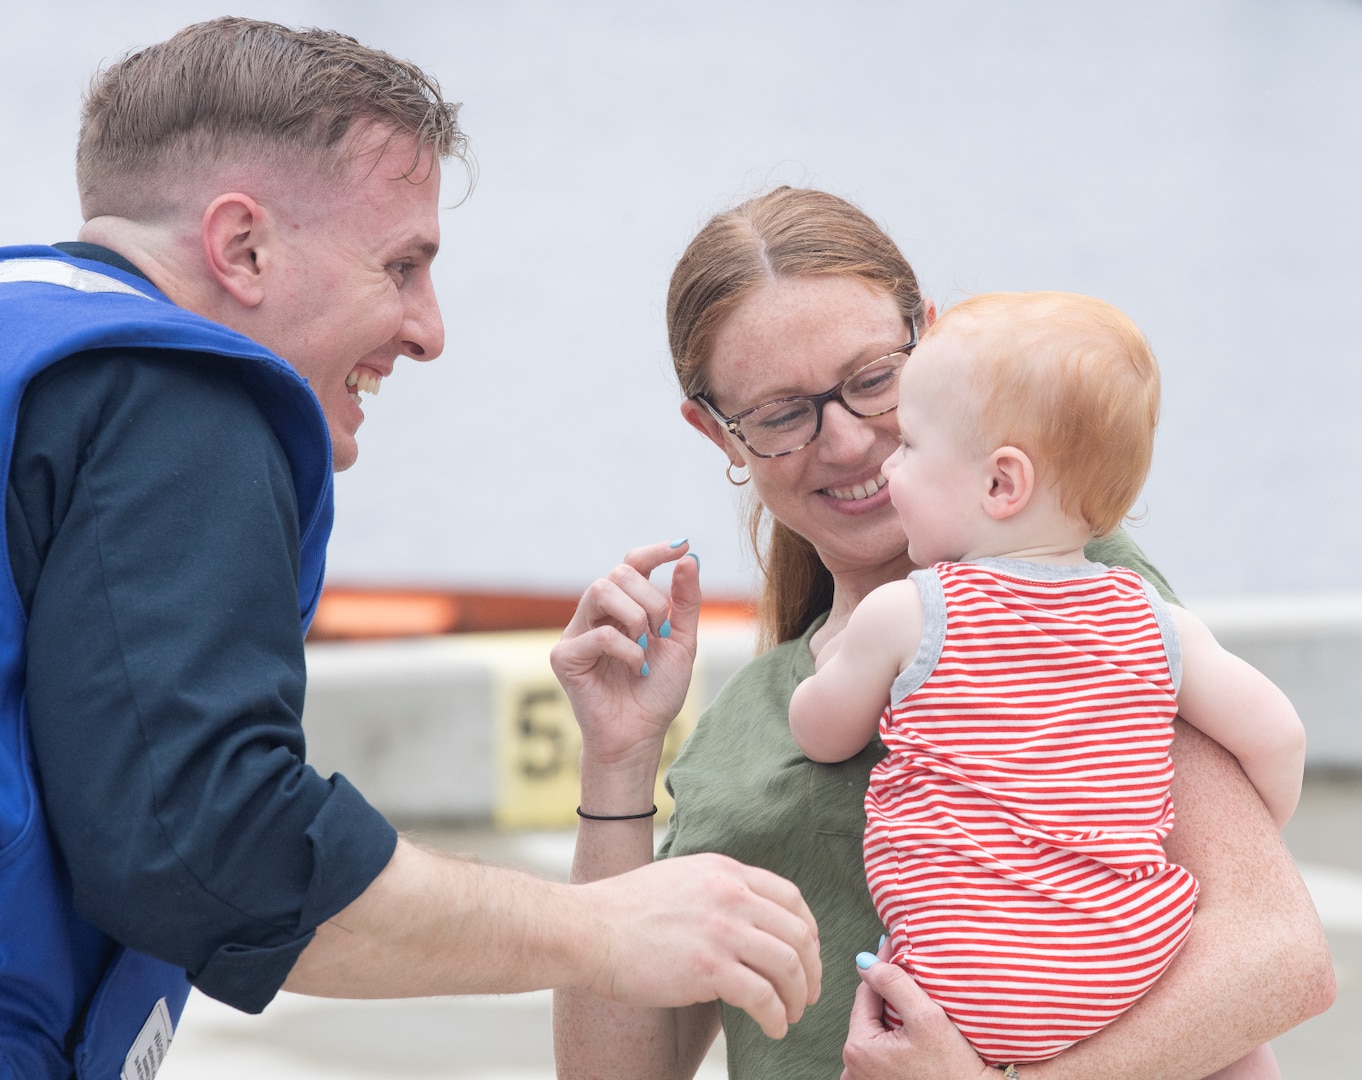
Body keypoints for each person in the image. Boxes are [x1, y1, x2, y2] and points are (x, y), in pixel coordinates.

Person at [0, 20, 820, 1079]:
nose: (430, 330)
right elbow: (209, 850)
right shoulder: (178, 390)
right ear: (241, 247)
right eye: (402, 265)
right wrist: (606, 928)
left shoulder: (28, 340)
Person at [551, 187, 1335, 1080]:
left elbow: (1278, 957)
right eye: (780, 415)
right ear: (719, 434)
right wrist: (617, 759)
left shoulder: (1082, 594)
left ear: (931, 341)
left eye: (873, 379)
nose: (848, 442)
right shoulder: (735, 734)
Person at [787, 290, 1306, 1069]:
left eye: (910, 447)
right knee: (1239, 1051)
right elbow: (1281, 735)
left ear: (1001, 484)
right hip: (1131, 962)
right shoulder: (1154, 620)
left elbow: (820, 733)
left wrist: (834, 661)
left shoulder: (912, 612)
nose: (888, 466)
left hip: (966, 982)